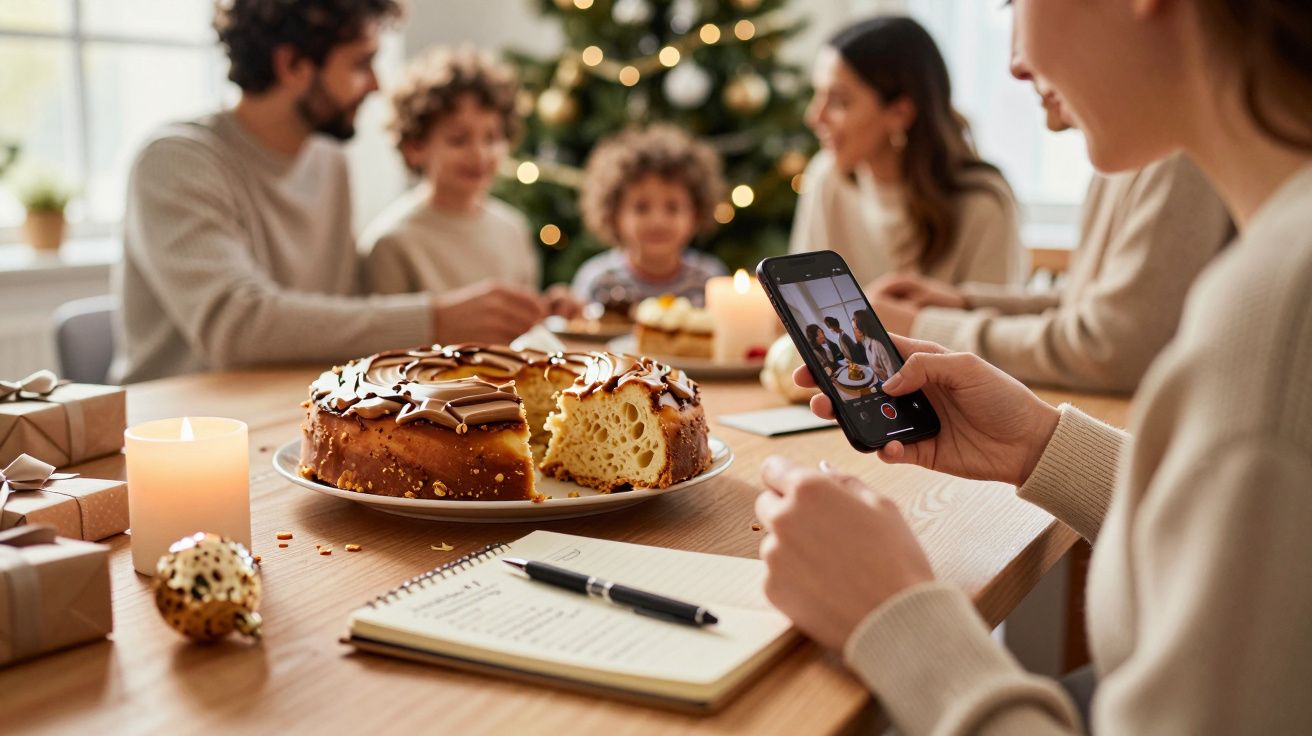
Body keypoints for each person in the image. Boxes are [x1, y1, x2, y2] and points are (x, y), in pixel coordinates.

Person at [756, 0, 1312, 732]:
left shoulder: (1278, 310)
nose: (1016, 61)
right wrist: (1044, 444)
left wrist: (895, 615)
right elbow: (1254, 567)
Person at [112, 0, 544, 384]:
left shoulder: (329, 161)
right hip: (181, 428)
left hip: (289, 409)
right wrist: (435, 319)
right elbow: (235, 325)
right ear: (293, 66)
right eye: (361, 63)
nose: (376, 84)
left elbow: (344, 312)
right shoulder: (177, 160)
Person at [864, 34, 1233, 394]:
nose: (1016, 66)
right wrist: (965, 302)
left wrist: (924, 326)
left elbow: (1113, 347)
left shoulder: (1175, 150)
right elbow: (1091, 303)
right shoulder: (1119, 157)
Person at [790, 16, 1023, 290]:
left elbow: (991, 327)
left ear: (900, 113)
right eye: (818, 95)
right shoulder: (827, 177)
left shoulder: (983, 204)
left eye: (840, 102)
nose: (814, 117)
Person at [360, 47, 577, 316]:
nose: (479, 154)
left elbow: (523, 335)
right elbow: (383, 340)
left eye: (492, 138)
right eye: (458, 140)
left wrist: (551, 314)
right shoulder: (391, 242)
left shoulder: (513, 230)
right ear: (415, 147)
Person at [571, 124, 728, 308]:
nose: (657, 221)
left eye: (673, 208)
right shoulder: (598, 280)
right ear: (613, 214)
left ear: (696, 214)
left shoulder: (711, 281)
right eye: (641, 208)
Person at [851, 310, 895, 382]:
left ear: (863, 326)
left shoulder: (876, 344)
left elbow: (891, 371)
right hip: (878, 380)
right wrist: (863, 367)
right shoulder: (865, 342)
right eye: (854, 328)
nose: (855, 331)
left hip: (887, 382)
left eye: (857, 328)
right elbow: (873, 366)